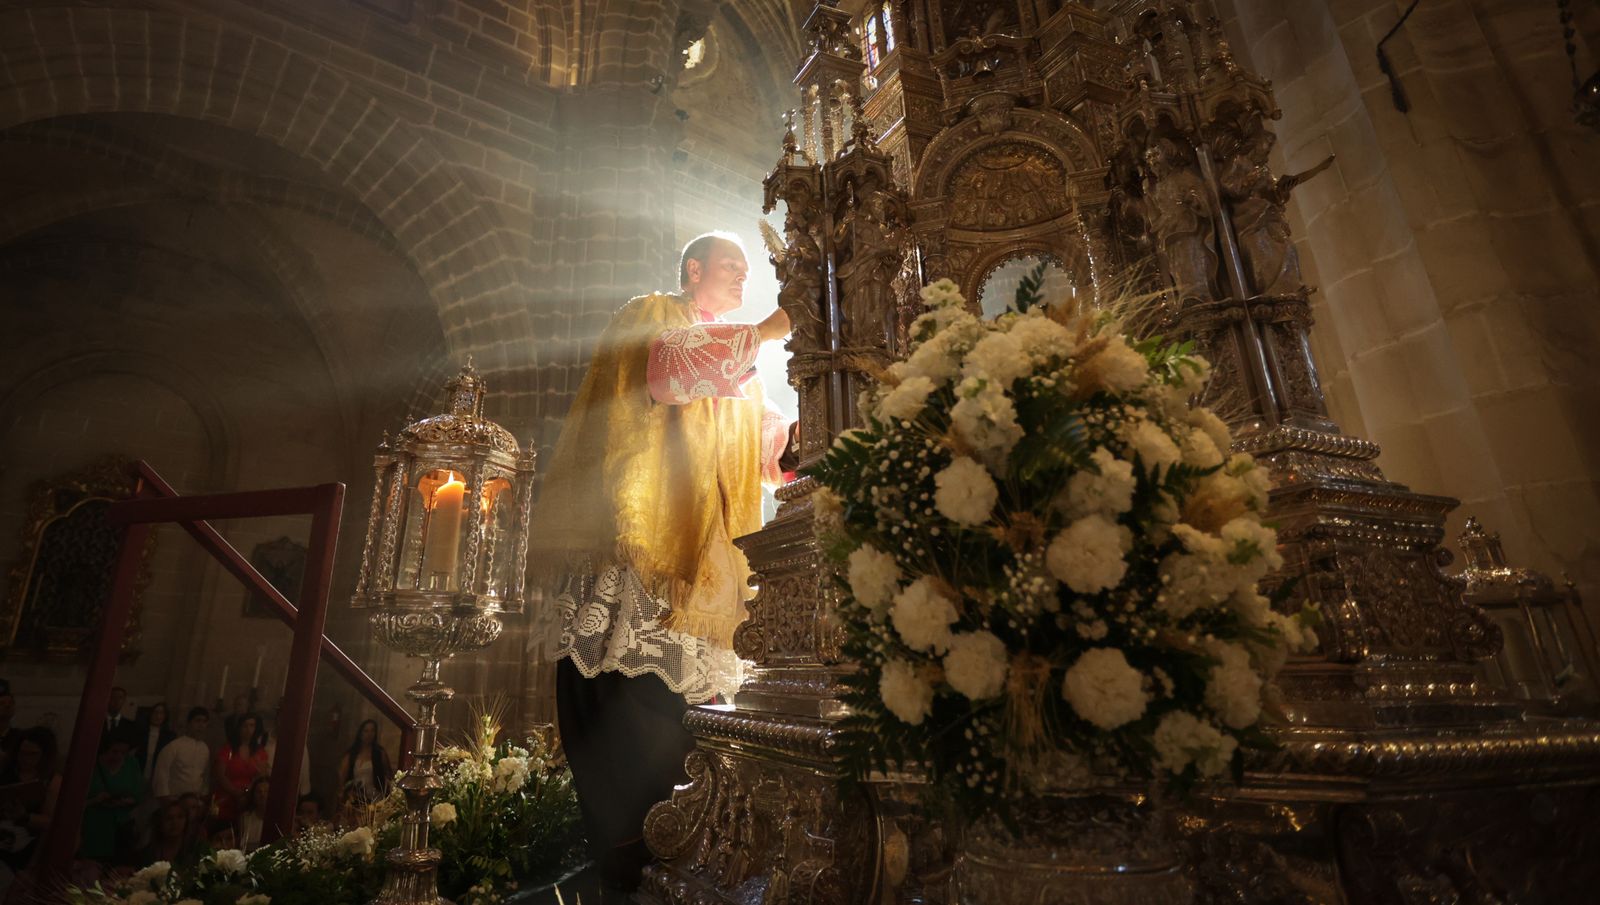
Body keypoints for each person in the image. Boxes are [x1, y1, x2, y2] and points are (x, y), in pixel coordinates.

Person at [529, 231, 793, 895]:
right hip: (644, 548)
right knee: (630, 706)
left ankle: (681, 858)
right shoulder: (653, 311)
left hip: (705, 566)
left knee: (697, 721)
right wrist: (769, 328)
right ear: (694, 268)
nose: (742, 276)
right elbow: (668, 373)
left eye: (747, 271)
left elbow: (760, 452)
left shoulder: (737, 358)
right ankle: (633, 859)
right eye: (731, 266)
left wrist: (783, 430)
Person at [0, 727, 61, 874]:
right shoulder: (6, 768)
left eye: (32, 754)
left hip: (25, 845)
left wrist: (25, 817)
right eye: (22, 753)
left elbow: (50, 822)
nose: (25, 759)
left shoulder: (52, 781)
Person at [81, 729, 145, 864]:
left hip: (121, 827)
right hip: (94, 826)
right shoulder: (91, 763)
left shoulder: (131, 763)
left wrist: (127, 801)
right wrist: (95, 800)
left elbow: (138, 793)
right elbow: (75, 800)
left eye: (123, 752)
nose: (119, 756)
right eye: (115, 751)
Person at [212, 712, 267, 825]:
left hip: (249, 801)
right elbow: (220, 776)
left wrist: (248, 794)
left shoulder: (259, 751)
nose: (249, 729)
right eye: (245, 726)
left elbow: (261, 776)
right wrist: (237, 793)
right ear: (239, 728)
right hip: (227, 798)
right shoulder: (228, 749)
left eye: (252, 725)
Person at [336, 720, 391, 804]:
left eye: (372, 730)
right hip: (356, 796)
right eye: (366, 731)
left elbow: (388, 774)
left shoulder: (379, 753)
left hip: (375, 797)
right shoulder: (352, 754)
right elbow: (342, 775)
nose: (369, 734)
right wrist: (342, 793)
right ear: (361, 733)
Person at [139, 798, 202, 868]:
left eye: (180, 817)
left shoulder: (195, 847)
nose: (175, 822)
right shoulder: (150, 852)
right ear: (160, 823)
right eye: (169, 818)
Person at [134, 702, 176, 785]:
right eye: (155, 712)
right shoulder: (140, 732)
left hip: (158, 777)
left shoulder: (170, 736)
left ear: (165, 716)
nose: (158, 716)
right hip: (137, 773)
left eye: (161, 713)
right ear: (150, 714)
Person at [235, 777, 269, 852]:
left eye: (266, 791)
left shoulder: (277, 818)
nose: (262, 795)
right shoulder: (245, 818)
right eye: (259, 792)